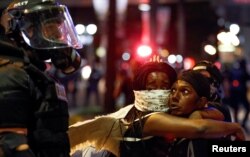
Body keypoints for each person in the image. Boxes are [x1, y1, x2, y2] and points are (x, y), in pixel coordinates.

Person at [68, 62, 245, 157]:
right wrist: (235, 127)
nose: (161, 94)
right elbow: (200, 128)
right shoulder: (145, 118)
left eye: (166, 87)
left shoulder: (180, 115)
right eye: (151, 88)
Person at [0, 0, 82, 157]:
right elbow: (10, 146)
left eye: (58, 29)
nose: (59, 36)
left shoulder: (33, 73)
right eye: (50, 29)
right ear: (25, 30)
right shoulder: (11, 75)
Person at [167, 70, 230, 157]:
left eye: (185, 91)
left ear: (201, 102)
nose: (174, 97)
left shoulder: (197, 139)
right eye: (173, 90)